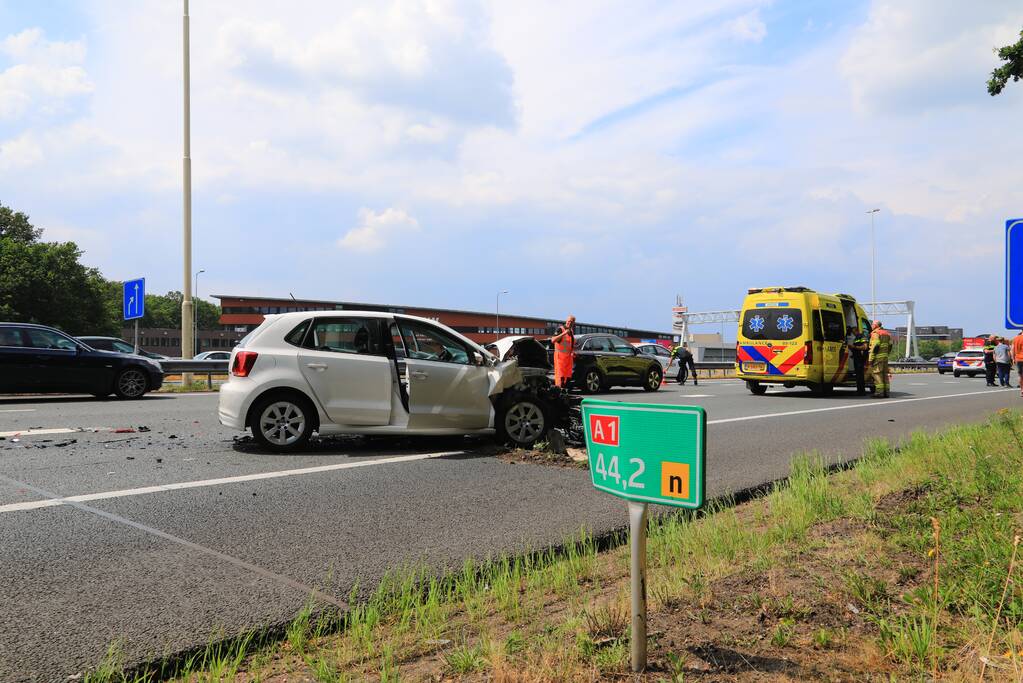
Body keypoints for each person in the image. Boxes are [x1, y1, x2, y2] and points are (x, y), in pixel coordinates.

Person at [550, 315, 576, 389]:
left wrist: (572, 352)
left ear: (573, 323)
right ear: (566, 321)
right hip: (560, 358)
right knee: (560, 378)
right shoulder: (560, 329)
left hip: (568, 359)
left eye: (572, 322)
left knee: (567, 378)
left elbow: (570, 344)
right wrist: (564, 333)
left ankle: (565, 393)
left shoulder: (571, 332)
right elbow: (553, 340)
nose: (570, 323)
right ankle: (559, 392)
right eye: (569, 321)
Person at [868, 320, 892, 398]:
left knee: (877, 374)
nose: (871, 326)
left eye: (872, 324)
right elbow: (890, 345)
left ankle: (879, 392)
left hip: (877, 358)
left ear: (876, 325)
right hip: (885, 357)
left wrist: (871, 358)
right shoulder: (887, 333)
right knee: (884, 374)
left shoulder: (875, 333)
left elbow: (876, 346)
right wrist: (887, 354)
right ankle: (886, 392)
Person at [846, 326, 868, 395]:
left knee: (860, 375)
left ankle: (862, 391)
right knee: (858, 375)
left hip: (860, 359)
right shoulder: (856, 338)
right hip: (857, 358)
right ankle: (859, 391)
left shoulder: (862, 336)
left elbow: (865, 347)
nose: (853, 334)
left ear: (856, 330)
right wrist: (851, 348)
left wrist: (854, 347)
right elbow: (856, 349)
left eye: (853, 332)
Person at [1014, 329, 1023, 397]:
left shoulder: (1016, 338)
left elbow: (1013, 349)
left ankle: (1022, 390)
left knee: (1020, 375)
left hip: (1019, 359)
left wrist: (1013, 358)